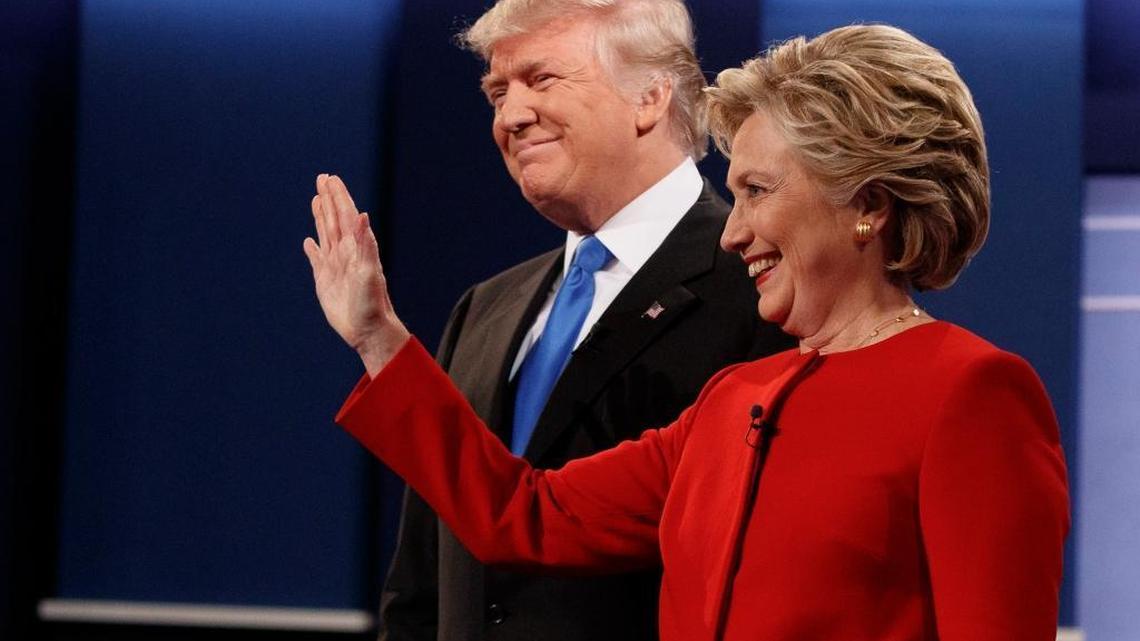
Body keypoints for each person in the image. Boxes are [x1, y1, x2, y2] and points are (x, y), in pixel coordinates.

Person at [304, 23, 1070, 641]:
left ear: (867, 202)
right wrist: (379, 339)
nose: (732, 233)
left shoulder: (970, 393)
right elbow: (523, 515)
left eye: (758, 192)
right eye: (731, 196)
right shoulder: (732, 400)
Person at [309, 1, 791, 640]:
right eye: (497, 92)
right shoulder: (485, 309)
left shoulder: (762, 290)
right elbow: (422, 581)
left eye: (542, 80)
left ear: (649, 97)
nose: (510, 116)